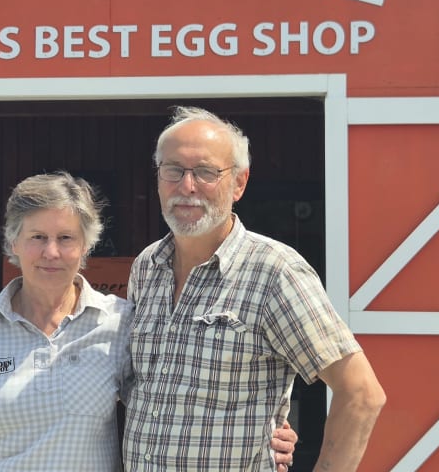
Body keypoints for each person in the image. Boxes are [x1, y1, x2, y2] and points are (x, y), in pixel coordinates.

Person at [0, 172, 298, 470]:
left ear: (87, 246)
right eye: (37, 237)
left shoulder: (120, 322)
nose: (51, 252)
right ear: (13, 244)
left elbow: (175, 400)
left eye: (66, 238)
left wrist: (264, 431)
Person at [123, 106, 386, 471]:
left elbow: (361, 393)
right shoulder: (147, 267)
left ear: (239, 183)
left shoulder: (275, 271)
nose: (187, 186)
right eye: (173, 170)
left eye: (205, 172)